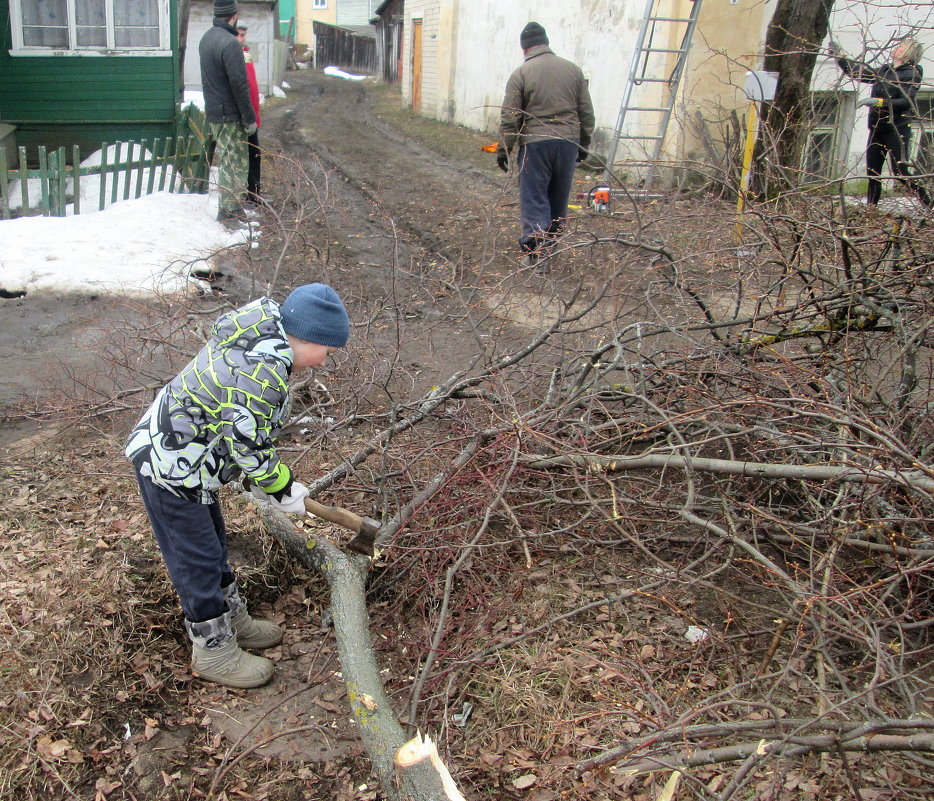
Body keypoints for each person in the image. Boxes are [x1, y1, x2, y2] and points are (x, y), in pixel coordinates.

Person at [125, 284, 351, 688]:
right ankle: (213, 651)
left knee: (214, 544)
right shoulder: (258, 370)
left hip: (193, 465)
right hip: (170, 467)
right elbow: (249, 443)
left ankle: (233, 621)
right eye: (327, 352)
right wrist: (283, 489)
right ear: (309, 338)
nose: (324, 361)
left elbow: (240, 432)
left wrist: (274, 483)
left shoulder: (261, 345)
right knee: (198, 561)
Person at [497, 22, 595, 271]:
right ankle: (550, 248)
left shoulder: (521, 73)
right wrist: (583, 143)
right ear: (546, 43)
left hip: (536, 144)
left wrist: (504, 148)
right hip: (567, 142)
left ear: (524, 48)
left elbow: (511, 116)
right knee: (558, 196)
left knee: (535, 196)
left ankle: (535, 251)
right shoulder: (573, 70)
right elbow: (586, 111)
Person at [832, 37, 931, 208]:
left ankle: (928, 202)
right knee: (873, 173)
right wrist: (840, 57)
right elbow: (857, 73)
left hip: (897, 129)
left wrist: (879, 102)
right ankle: (871, 209)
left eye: (901, 46)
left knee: (901, 173)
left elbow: (906, 102)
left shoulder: (911, 75)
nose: (897, 47)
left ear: (908, 53)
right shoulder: (885, 71)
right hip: (877, 127)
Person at [199, 1, 258, 227]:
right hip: (230, 114)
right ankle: (229, 212)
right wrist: (249, 117)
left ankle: (232, 208)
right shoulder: (231, 43)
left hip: (215, 111)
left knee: (227, 160)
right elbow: (239, 83)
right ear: (234, 16)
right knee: (235, 163)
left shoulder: (207, 39)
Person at [236, 25, 263, 205]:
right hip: (242, 114)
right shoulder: (234, 54)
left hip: (251, 113)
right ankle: (249, 192)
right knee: (245, 154)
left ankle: (254, 192)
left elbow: (252, 87)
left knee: (254, 154)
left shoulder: (246, 53)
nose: (240, 38)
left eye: (243, 35)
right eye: (237, 35)